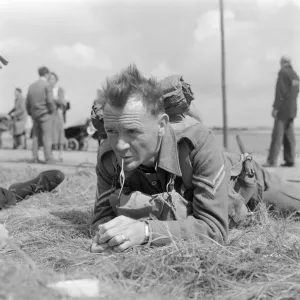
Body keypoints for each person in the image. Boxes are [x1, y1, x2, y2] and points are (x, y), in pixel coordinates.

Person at [90, 64, 300, 253]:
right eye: (112, 131)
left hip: (247, 186)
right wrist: (110, 234)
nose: (119, 144)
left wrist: (145, 231)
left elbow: (214, 229)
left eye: (132, 132)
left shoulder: (196, 143)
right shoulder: (109, 158)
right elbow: (102, 218)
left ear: (161, 125)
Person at [266, 56, 300, 167]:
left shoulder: (283, 73)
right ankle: (290, 160)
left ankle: (272, 160)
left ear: (282, 62)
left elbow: (280, 92)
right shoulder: (295, 75)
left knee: (277, 135)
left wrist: (276, 108)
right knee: (289, 136)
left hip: (283, 110)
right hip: (292, 110)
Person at [26, 66, 55, 164]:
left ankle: (34, 157)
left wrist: (31, 113)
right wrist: (52, 111)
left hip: (35, 115)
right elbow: (50, 101)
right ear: (46, 74)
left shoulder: (32, 86)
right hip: (45, 114)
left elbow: (27, 102)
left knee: (35, 136)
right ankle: (48, 158)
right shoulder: (47, 85)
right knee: (46, 136)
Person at [49, 72, 67, 161]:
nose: (50, 80)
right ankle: (51, 155)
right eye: (49, 78)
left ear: (56, 80)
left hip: (59, 115)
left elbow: (62, 101)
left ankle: (60, 155)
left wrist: (55, 100)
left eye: (52, 78)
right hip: (50, 115)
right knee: (51, 135)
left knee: (60, 134)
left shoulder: (60, 89)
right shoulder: (47, 89)